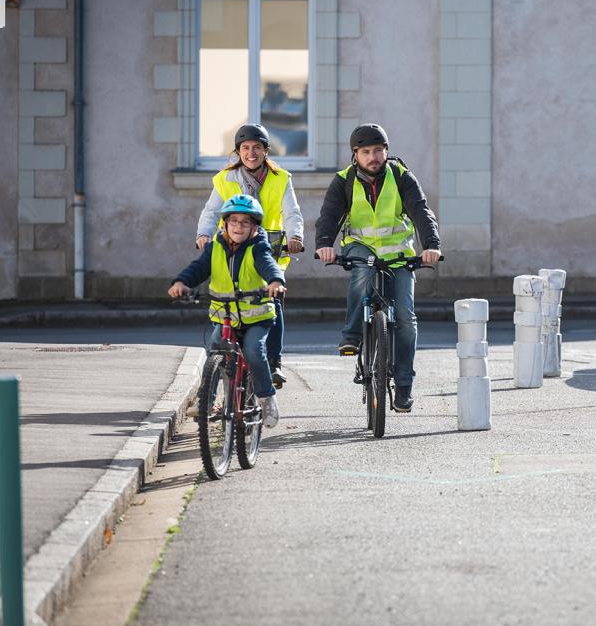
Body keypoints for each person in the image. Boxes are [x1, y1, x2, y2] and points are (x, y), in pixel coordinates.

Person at [314, 123, 442, 413]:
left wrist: (431, 245)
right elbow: (329, 215)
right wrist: (324, 243)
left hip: (398, 253)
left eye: (378, 150)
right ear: (355, 155)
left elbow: (421, 211)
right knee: (363, 272)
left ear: (386, 151)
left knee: (407, 317)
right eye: (366, 152)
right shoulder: (343, 180)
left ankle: (404, 386)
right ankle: (351, 335)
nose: (373, 156)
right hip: (361, 248)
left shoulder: (401, 177)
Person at [195, 123, 303, 387]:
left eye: (257, 148)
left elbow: (291, 212)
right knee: (224, 305)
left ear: (266, 151)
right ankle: (215, 385)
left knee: (272, 304)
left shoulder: (281, 178)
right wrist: (203, 235)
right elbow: (211, 211)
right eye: (245, 148)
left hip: (270, 252)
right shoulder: (225, 179)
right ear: (238, 152)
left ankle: (274, 361)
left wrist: (296, 237)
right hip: (231, 251)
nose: (251, 153)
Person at [170, 194, 286, 428]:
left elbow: (268, 264)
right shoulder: (214, 248)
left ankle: (266, 398)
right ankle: (207, 401)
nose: (238, 227)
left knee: (254, 352)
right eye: (233, 221)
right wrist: (182, 282)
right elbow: (198, 268)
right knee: (214, 352)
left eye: (245, 222)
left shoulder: (258, 247)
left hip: (256, 317)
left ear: (254, 227)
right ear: (224, 224)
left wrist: (275, 281)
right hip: (225, 316)